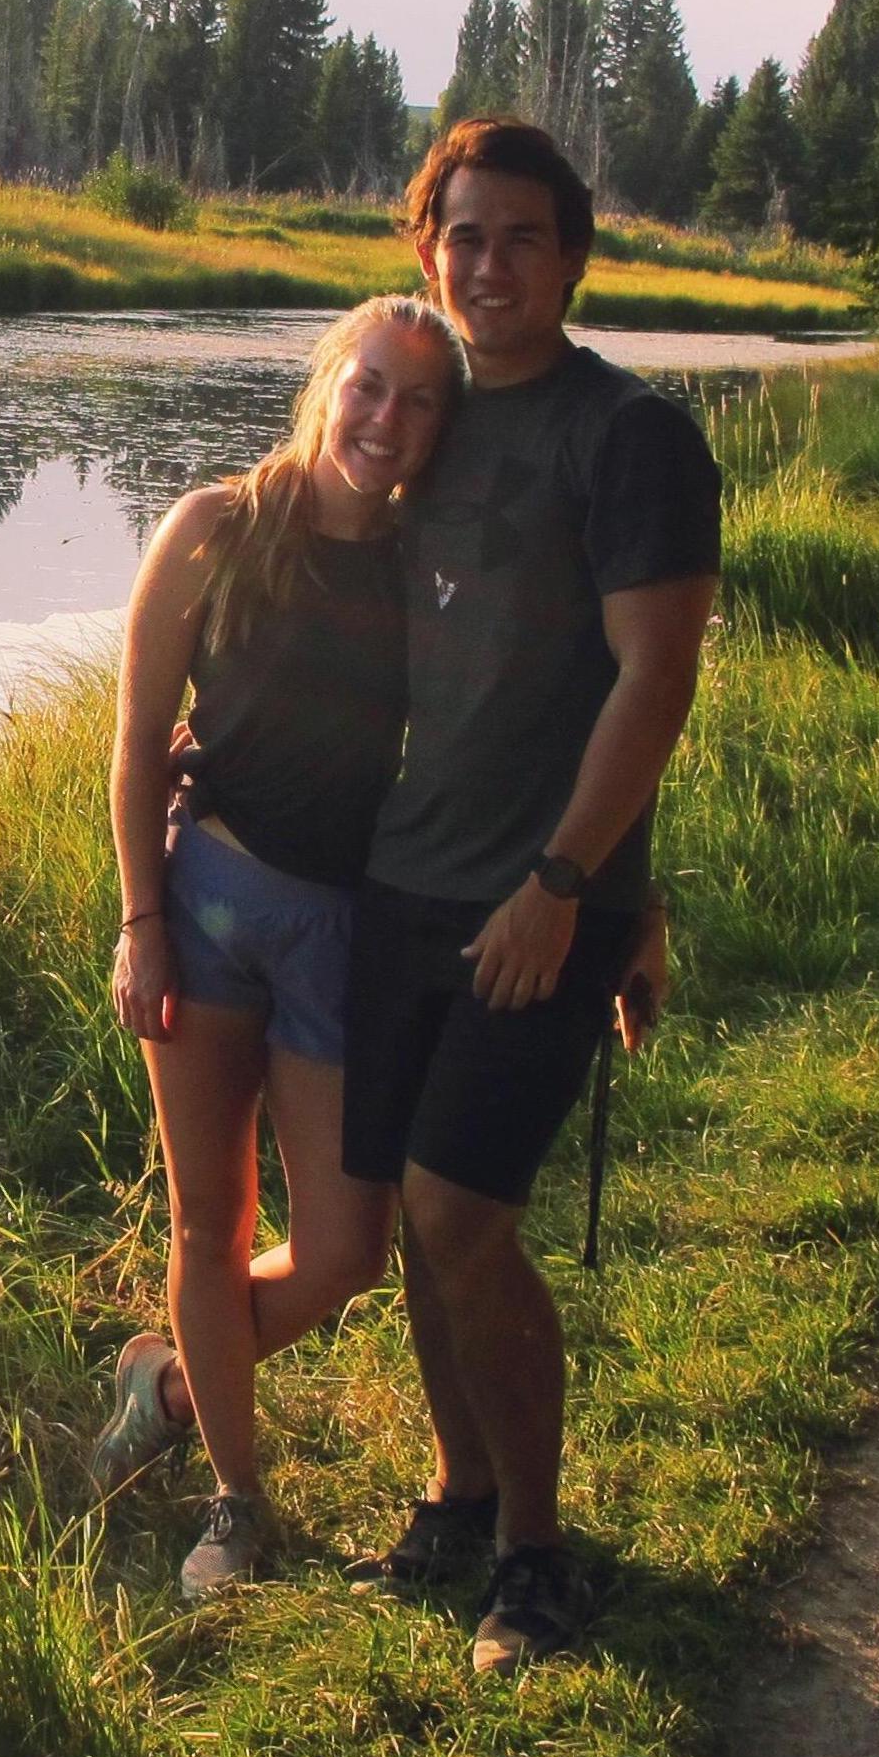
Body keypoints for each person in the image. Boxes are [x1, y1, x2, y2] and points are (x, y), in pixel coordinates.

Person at [342, 117, 714, 1676]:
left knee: (457, 1215)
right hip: (400, 886)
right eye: (464, 235)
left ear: (572, 255)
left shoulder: (627, 436)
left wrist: (581, 888)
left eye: (523, 238)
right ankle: (460, 1490)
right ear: (427, 249)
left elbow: (657, 674)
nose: (490, 266)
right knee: (420, 1229)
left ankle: (538, 1556)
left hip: (533, 904)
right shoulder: (422, 413)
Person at [95, 293, 467, 1600]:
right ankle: (236, 1502)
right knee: (212, 1226)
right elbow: (139, 745)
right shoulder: (218, 527)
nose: (388, 417)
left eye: (421, 400)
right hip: (206, 910)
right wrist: (142, 925)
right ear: (329, 381)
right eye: (372, 385)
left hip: (342, 930)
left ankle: (173, 1379)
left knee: (346, 1249)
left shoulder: (431, 564)